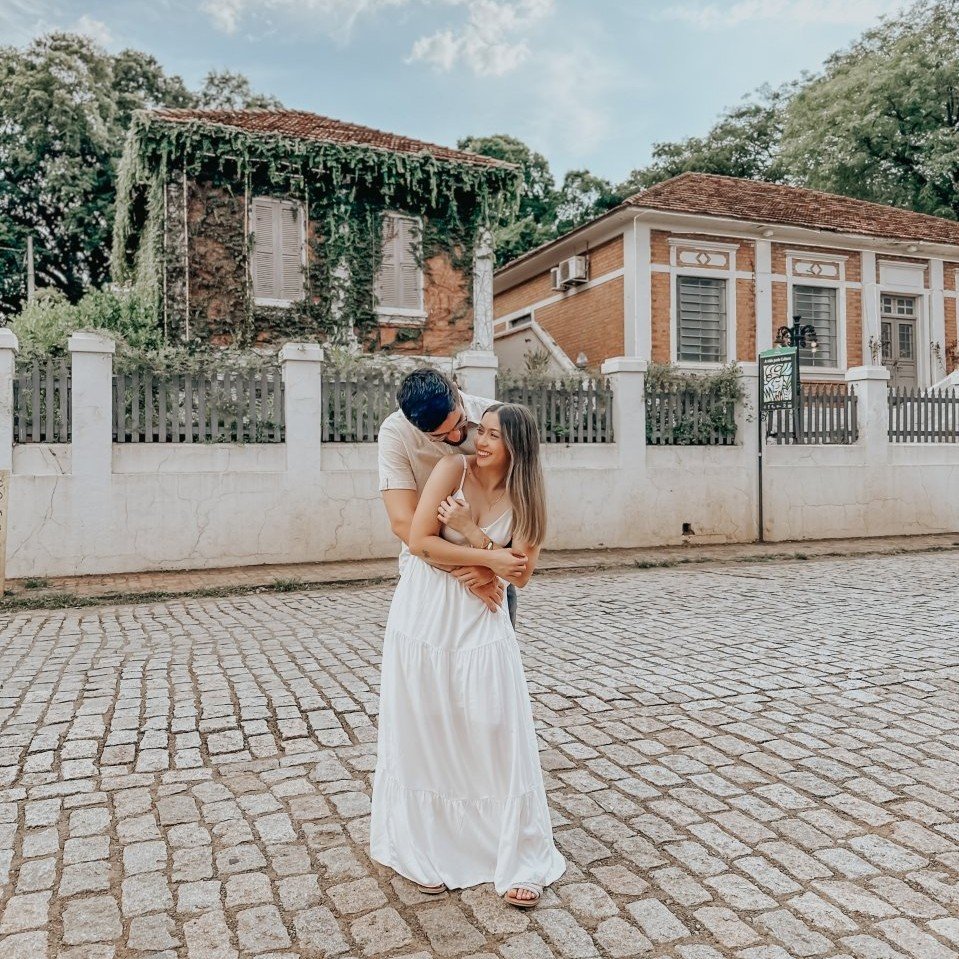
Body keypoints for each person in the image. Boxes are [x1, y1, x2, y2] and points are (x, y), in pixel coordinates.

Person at [370, 402, 566, 909]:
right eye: (483, 431)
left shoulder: (528, 500)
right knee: (427, 722)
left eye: (494, 436)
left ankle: (511, 846)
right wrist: (484, 563)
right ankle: (427, 845)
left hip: (483, 617)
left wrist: (475, 538)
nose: (480, 441)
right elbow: (420, 541)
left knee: (494, 724)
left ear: (517, 446)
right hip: (426, 611)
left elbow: (521, 573)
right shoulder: (450, 469)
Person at [378, 368, 517, 622]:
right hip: (430, 574)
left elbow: (521, 498)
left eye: (460, 423)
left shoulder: (496, 418)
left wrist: (493, 569)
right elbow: (402, 522)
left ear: (455, 388)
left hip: (493, 576)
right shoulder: (396, 433)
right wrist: (473, 569)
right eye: (439, 436)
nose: (455, 436)